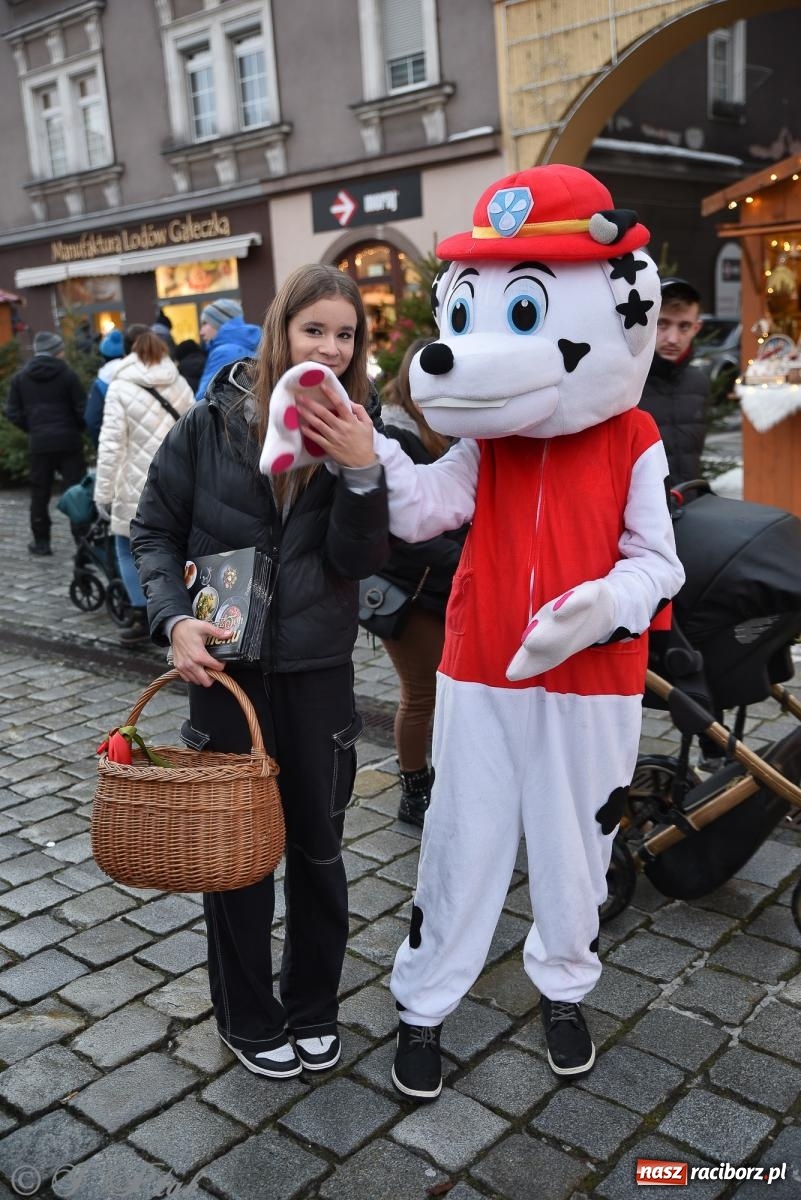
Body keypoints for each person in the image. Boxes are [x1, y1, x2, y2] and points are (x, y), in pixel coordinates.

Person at [285, 164, 684, 1100]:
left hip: (594, 678)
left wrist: (602, 605)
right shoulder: (489, 438)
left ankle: (563, 985)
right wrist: (370, 451)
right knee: (461, 836)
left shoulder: (632, 438)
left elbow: (658, 562)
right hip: (481, 665)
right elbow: (423, 508)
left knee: (574, 843)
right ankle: (424, 1005)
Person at [130, 264, 390, 1079]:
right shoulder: (213, 421)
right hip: (224, 673)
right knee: (234, 858)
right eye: (314, 329)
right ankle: (247, 1015)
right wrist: (173, 621)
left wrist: (360, 472)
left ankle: (312, 1005)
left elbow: (359, 559)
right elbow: (152, 531)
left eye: (345, 335)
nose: (330, 347)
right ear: (281, 331)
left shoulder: (360, 423)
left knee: (318, 850)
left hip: (316, 673)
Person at [375, 337, 466, 827]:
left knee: (450, 690)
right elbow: (402, 530)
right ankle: (413, 790)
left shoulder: (447, 429)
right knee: (421, 692)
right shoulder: (396, 434)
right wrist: (466, 559)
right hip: (407, 590)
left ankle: (449, 779)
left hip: (442, 584)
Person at [94, 329, 194, 644]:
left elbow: (111, 445)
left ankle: (141, 614)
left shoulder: (120, 386)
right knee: (179, 546)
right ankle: (185, 610)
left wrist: (103, 494)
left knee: (127, 547)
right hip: (179, 478)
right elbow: (195, 429)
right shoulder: (177, 380)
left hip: (136, 484)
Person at [5, 330, 87, 556]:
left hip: (39, 444)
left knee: (40, 493)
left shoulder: (21, 378)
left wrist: (32, 428)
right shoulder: (68, 375)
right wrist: (75, 429)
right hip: (69, 442)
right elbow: (83, 409)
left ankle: (42, 542)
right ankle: (83, 542)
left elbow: (11, 411)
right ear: (56, 351)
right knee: (76, 491)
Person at [639, 277, 710, 486]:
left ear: (696, 328)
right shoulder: (628, 384)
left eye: (684, 326)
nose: (673, 338)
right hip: (641, 514)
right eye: (663, 323)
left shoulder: (699, 383)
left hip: (689, 506)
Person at [195, 297, 261, 400]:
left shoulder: (224, 352)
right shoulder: (254, 344)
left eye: (205, 323)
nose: (201, 332)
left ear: (220, 322)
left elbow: (203, 398)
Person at [84, 328, 125, 446]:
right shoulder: (139, 373)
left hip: (115, 444)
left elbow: (92, 419)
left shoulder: (101, 382)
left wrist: (102, 446)